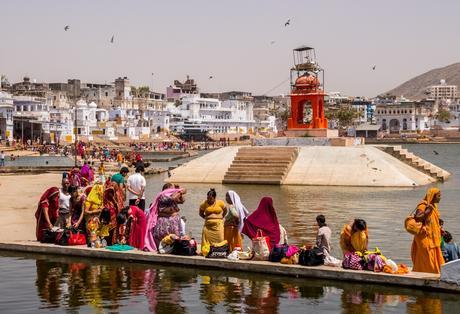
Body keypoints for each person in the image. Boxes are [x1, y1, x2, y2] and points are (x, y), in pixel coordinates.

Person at [411, 188, 445, 273]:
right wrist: (427, 212)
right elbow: (418, 218)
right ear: (433, 196)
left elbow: (431, 220)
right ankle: (424, 275)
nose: (440, 198)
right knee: (425, 258)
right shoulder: (423, 206)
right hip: (424, 238)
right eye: (438, 196)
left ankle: (433, 273)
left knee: (434, 259)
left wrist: (438, 225)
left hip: (433, 239)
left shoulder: (433, 206)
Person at [144, 185, 186, 252]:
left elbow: (182, 201)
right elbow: (172, 199)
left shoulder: (173, 195)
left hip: (174, 221)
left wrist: (180, 194)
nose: (173, 190)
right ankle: (163, 248)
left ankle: (172, 248)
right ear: (167, 189)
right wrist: (179, 192)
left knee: (175, 236)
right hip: (165, 221)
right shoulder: (162, 196)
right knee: (164, 235)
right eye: (172, 188)